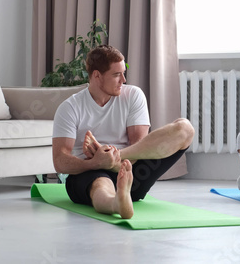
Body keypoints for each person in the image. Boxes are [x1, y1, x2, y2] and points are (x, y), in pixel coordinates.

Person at [52, 45, 194, 219]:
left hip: (131, 172)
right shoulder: (70, 108)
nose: (124, 80)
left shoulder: (133, 95)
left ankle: (115, 170)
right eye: (116, 74)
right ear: (97, 75)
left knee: (185, 129)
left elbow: (140, 149)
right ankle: (116, 203)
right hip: (88, 173)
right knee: (100, 185)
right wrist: (95, 163)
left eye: (123, 72)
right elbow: (60, 161)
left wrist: (111, 158)